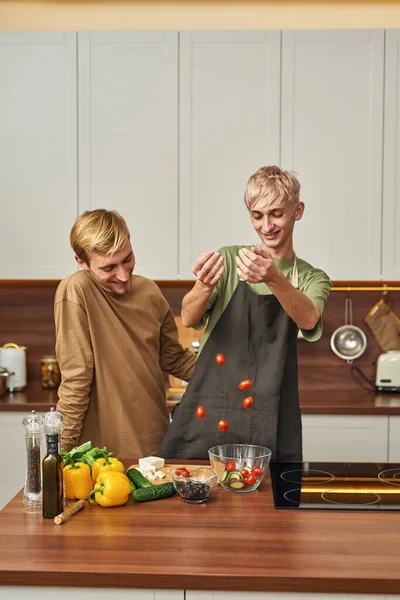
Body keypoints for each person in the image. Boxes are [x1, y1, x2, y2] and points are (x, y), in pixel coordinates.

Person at [158, 165, 331, 460]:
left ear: (297, 211)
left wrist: (273, 278)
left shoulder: (314, 278)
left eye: (276, 213)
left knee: (269, 501)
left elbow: (309, 318)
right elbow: (188, 318)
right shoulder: (230, 259)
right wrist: (202, 285)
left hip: (271, 413)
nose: (267, 226)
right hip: (212, 408)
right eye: (257, 215)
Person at [55, 209, 197, 458]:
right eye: (109, 267)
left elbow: (174, 358)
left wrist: (230, 378)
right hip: (101, 455)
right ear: (81, 262)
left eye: (127, 259)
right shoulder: (76, 290)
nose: (123, 275)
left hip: (155, 444)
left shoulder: (150, 292)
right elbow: (76, 379)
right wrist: (59, 456)